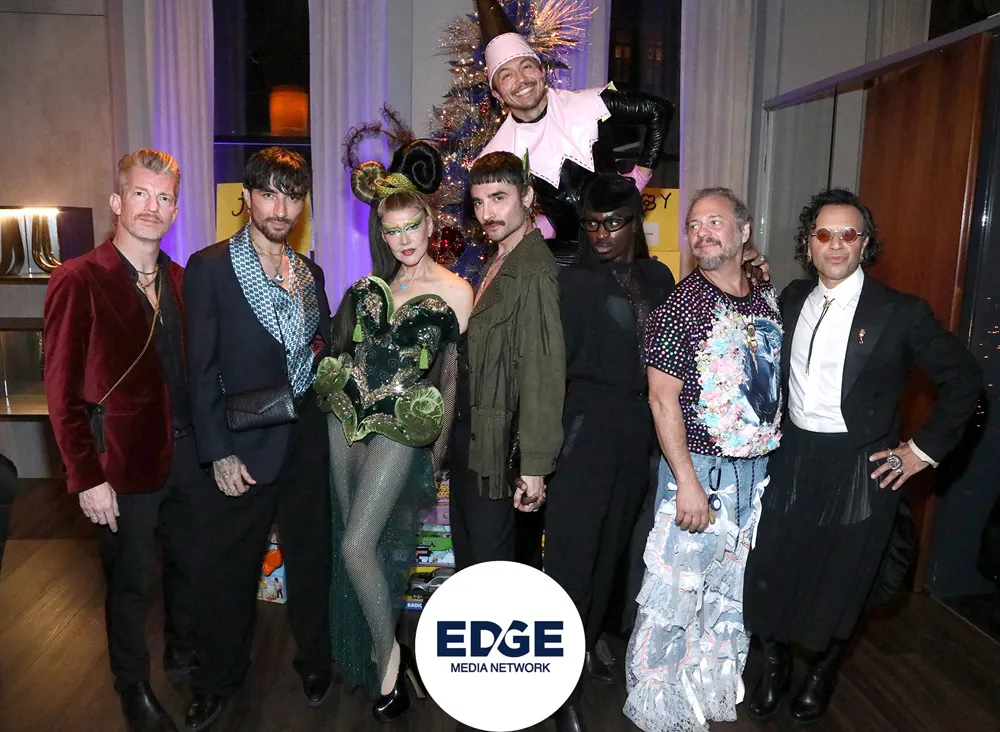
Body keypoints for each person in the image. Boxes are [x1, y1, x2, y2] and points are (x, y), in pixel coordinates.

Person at [743, 188, 982, 724]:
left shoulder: (901, 312)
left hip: (860, 463)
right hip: (791, 455)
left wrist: (921, 451)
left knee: (842, 580)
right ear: (809, 243)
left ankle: (823, 672)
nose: (836, 244)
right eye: (824, 234)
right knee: (770, 567)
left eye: (848, 234)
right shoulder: (791, 298)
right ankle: (775, 665)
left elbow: (965, 380)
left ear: (865, 243)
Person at [43, 148, 209, 732]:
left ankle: (184, 657)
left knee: (188, 568)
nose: (151, 207)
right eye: (140, 193)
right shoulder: (79, 279)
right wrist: (86, 476)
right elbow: (61, 392)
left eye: (164, 198)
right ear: (117, 201)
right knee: (131, 583)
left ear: (175, 211)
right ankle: (131, 685)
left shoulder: (182, 280)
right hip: (121, 464)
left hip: (189, 457)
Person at [316, 140, 472, 722]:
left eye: (412, 226)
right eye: (392, 230)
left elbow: (451, 380)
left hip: (401, 433)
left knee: (358, 544)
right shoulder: (369, 288)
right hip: (343, 424)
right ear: (381, 234)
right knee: (357, 543)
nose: (404, 240)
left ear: (430, 223)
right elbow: (345, 355)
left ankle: (389, 660)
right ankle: (383, 650)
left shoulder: (456, 290)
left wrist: (437, 451)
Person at [183, 147, 333, 730]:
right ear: (246, 198)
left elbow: (321, 350)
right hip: (242, 445)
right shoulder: (210, 267)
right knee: (229, 569)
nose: (280, 208)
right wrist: (217, 450)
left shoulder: (310, 274)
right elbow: (200, 370)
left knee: (312, 556)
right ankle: (217, 681)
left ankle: (315, 661)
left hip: (306, 439)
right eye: (268, 193)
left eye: (291, 196)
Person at [624, 188, 782, 732]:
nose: (702, 232)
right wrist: (686, 483)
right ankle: (657, 708)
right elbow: (660, 399)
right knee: (675, 597)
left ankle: (708, 690)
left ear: (744, 231)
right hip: (701, 475)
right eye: (694, 225)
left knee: (728, 595)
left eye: (715, 221)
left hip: (755, 477)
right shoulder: (678, 307)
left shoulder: (764, 294)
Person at [542, 174, 674, 731]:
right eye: (591, 224)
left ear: (634, 223)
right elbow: (551, 371)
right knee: (573, 556)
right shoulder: (573, 282)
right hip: (587, 427)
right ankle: (560, 685)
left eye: (613, 223)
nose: (600, 235)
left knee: (613, 552)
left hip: (641, 430)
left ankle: (589, 639)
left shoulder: (658, 276)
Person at [473, 0, 672, 264]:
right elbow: (491, 212)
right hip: (567, 259)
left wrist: (640, 176)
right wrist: (539, 225)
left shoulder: (590, 104)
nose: (521, 80)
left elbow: (659, 110)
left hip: (622, 246)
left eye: (527, 66)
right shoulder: (497, 153)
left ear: (541, 71)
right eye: (506, 75)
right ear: (497, 94)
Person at [449, 151, 565, 569]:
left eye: (499, 198)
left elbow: (542, 371)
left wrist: (534, 467)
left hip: (498, 449)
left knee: (490, 572)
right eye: (479, 202)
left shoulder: (533, 269)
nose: (487, 213)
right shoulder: (500, 259)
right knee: (470, 563)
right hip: (475, 440)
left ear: (527, 196)